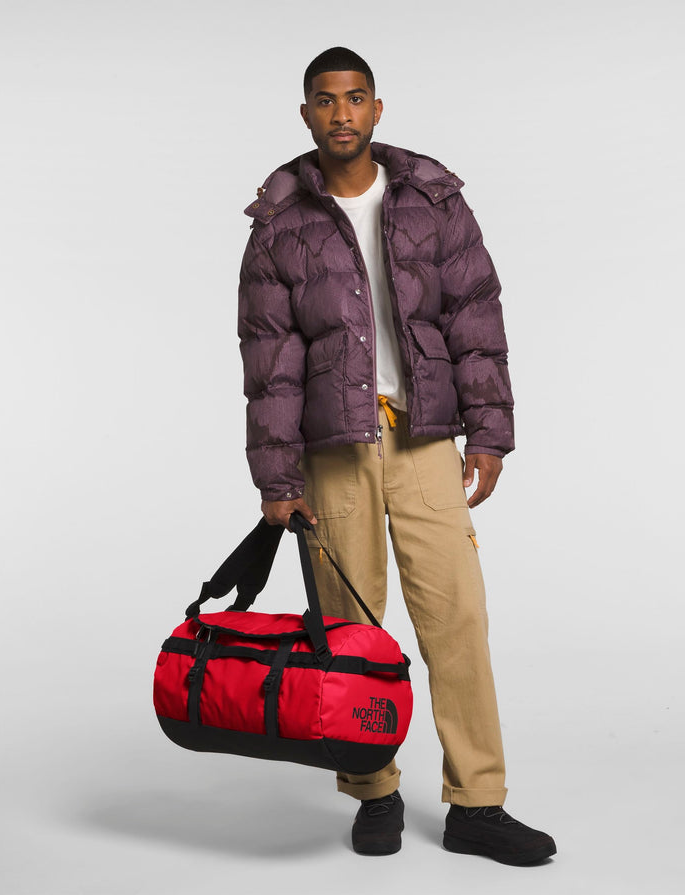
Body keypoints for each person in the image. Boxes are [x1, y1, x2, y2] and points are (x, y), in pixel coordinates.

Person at [237, 46, 556, 865]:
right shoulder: (280, 222)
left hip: (423, 435)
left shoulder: (432, 200)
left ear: (377, 109)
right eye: (325, 100)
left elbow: (474, 314)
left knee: (458, 617)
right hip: (333, 449)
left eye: (355, 98)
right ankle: (372, 789)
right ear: (305, 114)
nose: (341, 113)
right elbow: (269, 359)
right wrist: (276, 478)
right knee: (350, 628)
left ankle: (477, 803)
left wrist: (489, 429)